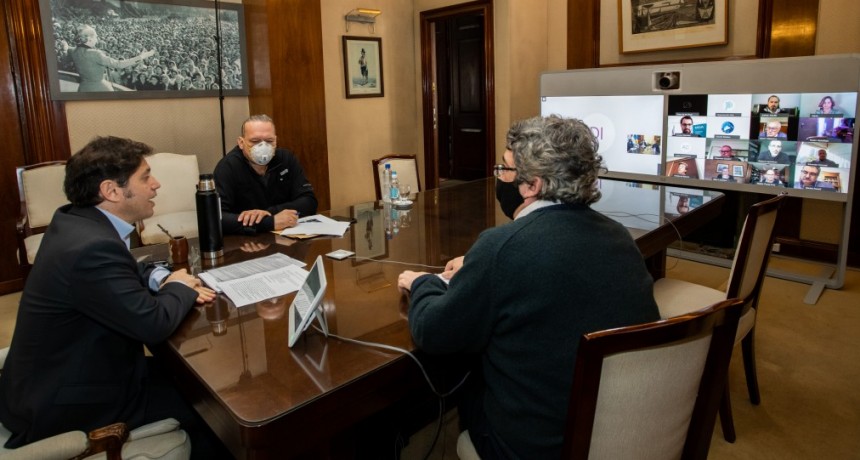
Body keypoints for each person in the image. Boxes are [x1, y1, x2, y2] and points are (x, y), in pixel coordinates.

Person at [396, 115, 660, 459]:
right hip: (620, 424)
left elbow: (434, 331)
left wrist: (423, 283)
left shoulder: (502, 246)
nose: (499, 177)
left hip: (536, 446)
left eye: (504, 169)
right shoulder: (618, 235)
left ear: (532, 185)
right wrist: (479, 267)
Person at [0, 136, 226, 458]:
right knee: (213, 413)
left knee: (198, 381)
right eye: (146, 176)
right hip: (67, 401)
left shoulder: (76, 222)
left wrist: (163, 276)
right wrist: (181, 286)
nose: (156, 184)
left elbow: (123, 271)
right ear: (111, 191)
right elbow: (154, 323)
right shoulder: (92, 247)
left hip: (57, 377)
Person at [214, 114, 318, 235]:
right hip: (246, 242)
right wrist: (270, 222)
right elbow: (219, 219)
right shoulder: (227, 167)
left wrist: (268, 213)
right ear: (241, 143)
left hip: (287, 236)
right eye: (255, 141)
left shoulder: (286, 159)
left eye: (269, 141)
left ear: (276, 140)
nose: (263, 147)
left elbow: (309, 202)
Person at [69, 25, 154, 92]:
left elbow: (68, 49)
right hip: (100, 89)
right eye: (96, 37)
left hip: (83, 88)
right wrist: (141, 56)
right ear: (89, 39)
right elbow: (119, 64)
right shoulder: (95, 53)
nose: (97, 40)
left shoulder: (74, 51)